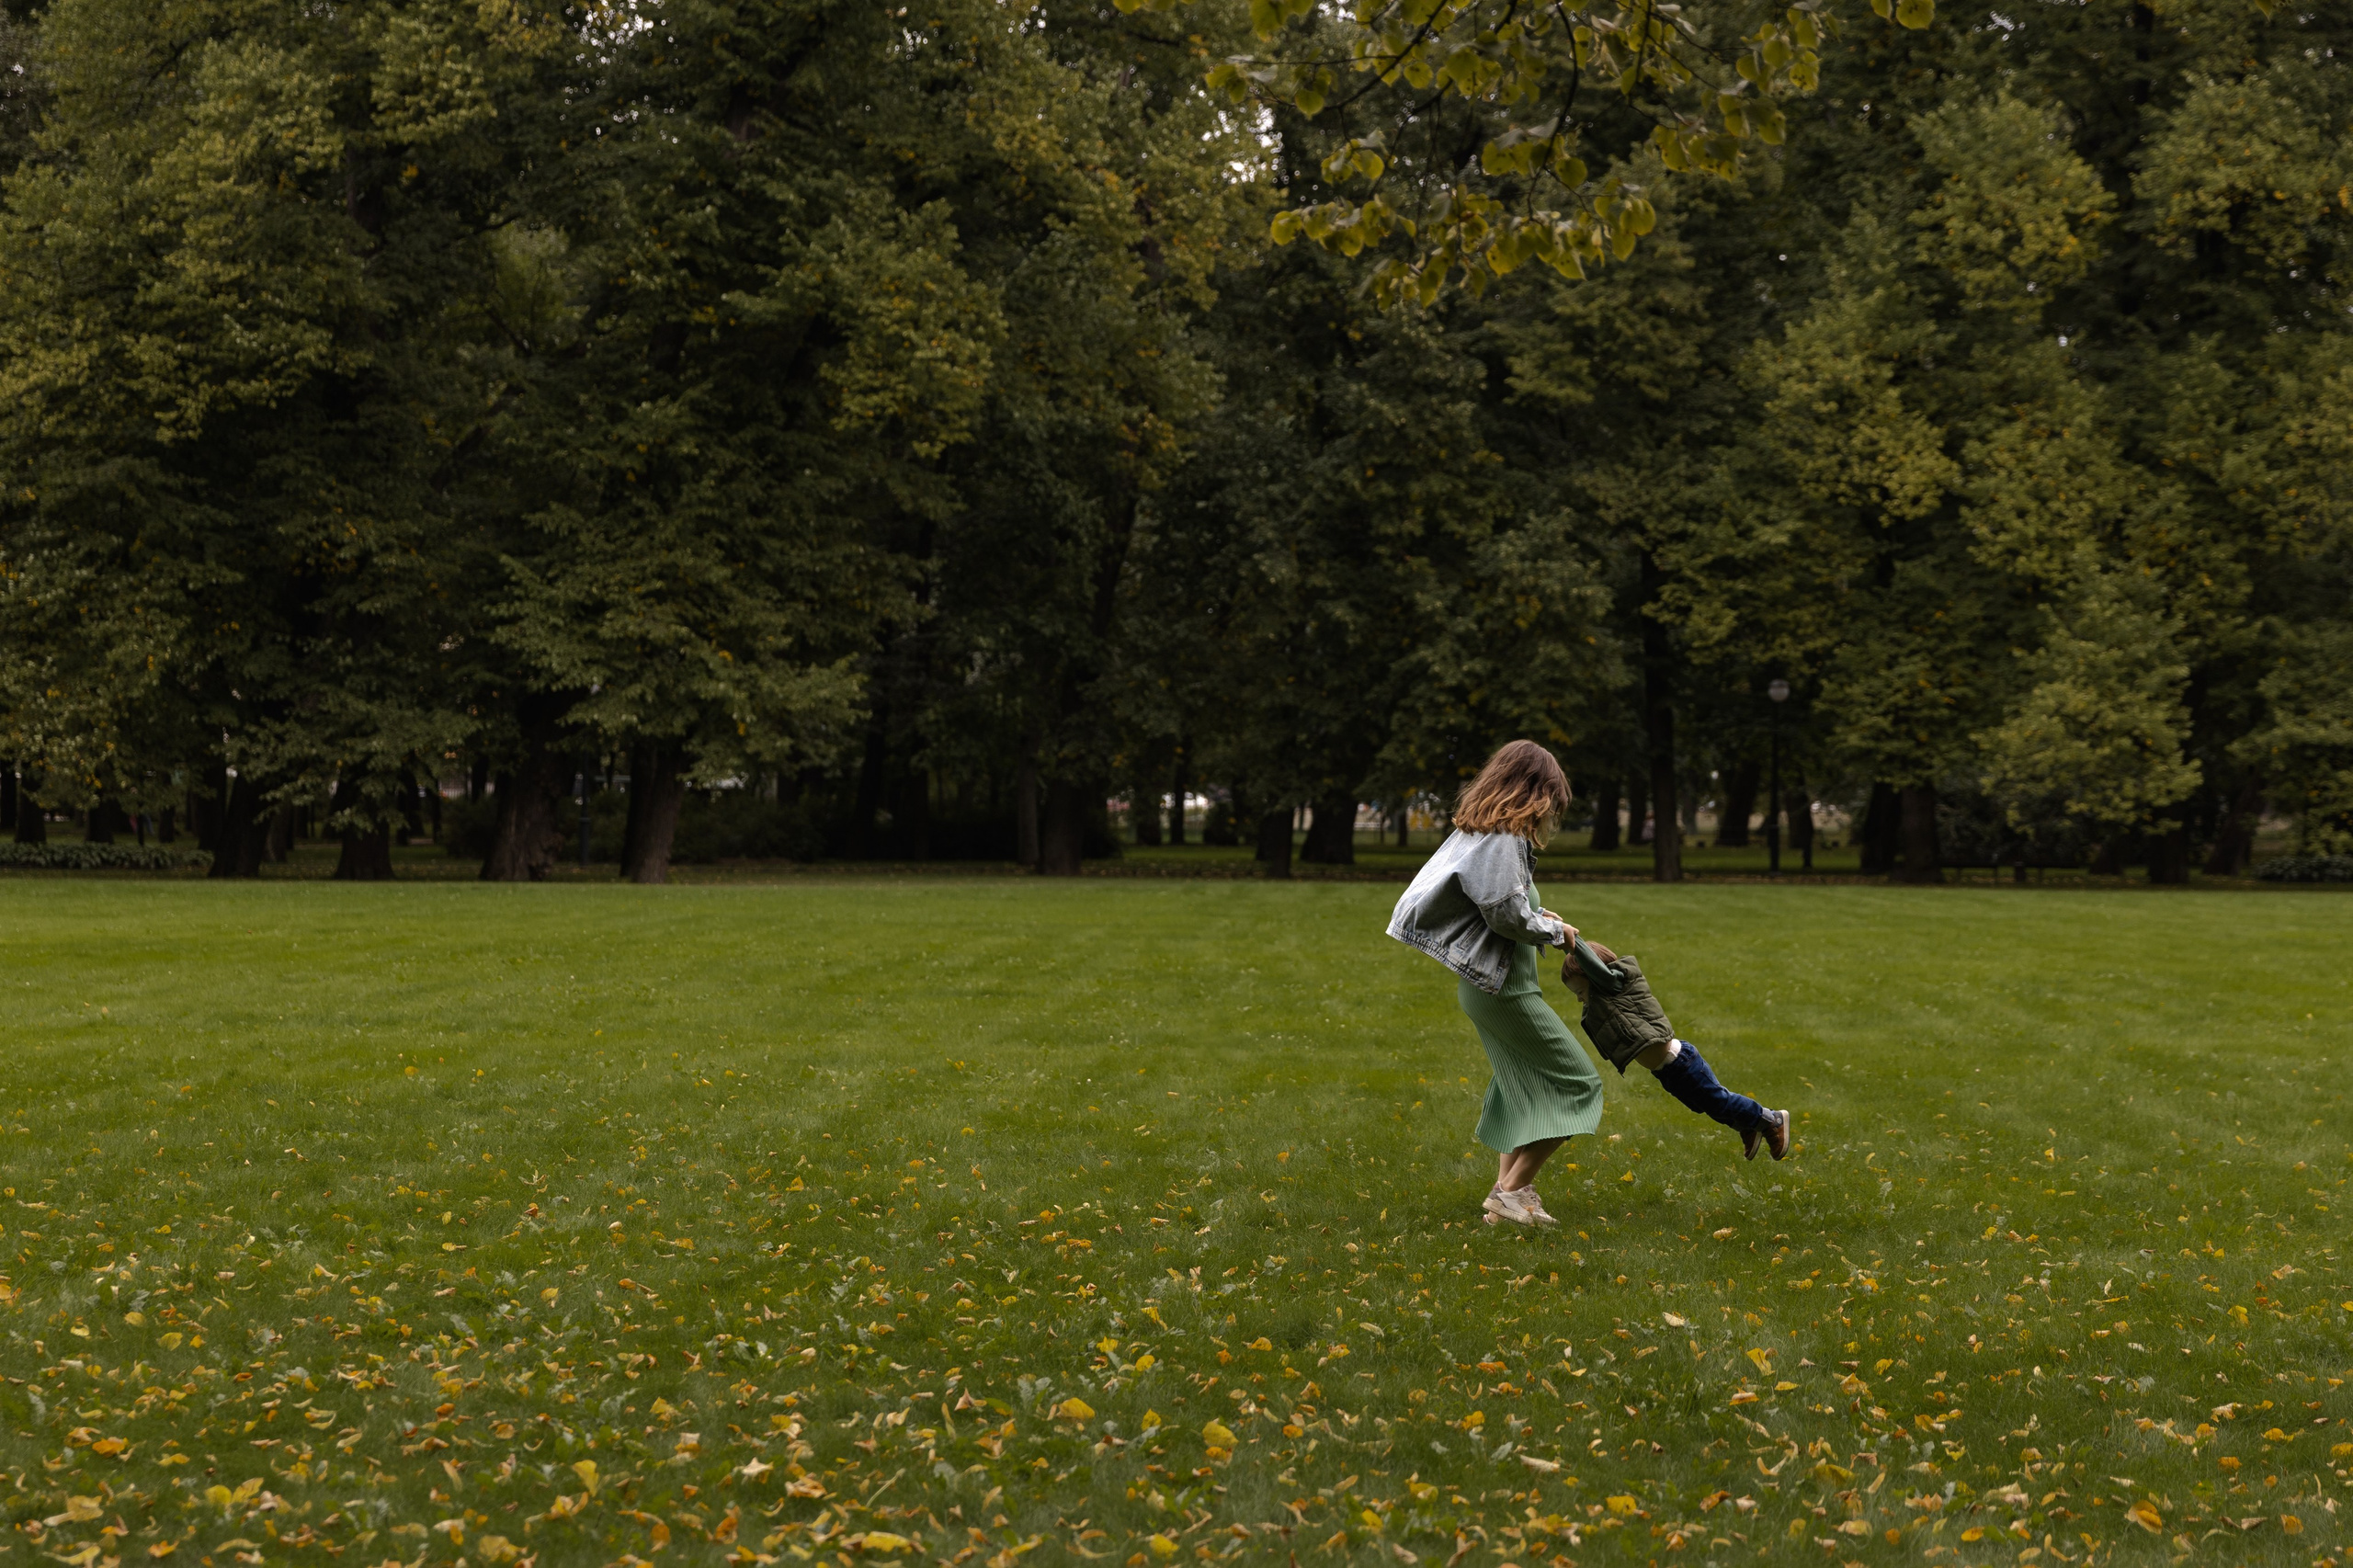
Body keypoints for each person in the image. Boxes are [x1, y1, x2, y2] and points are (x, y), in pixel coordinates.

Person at [1386, 740, 1599, 1227]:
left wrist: (1540, 915)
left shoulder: (1482, 835)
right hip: (1505, 992)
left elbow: (1502, 906)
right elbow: (1504, 915)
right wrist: (1553, 932)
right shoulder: (1503, 840)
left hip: (1496, 987)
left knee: (1517, 1088)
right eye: (1551, 799)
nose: (1551, 812)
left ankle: (1508, 1208)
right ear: (1533, 791)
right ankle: (1511, 1191)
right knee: (1578, 1085)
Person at [1562, 937, 1790, 1158]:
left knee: (1717, 1099)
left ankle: (1771, 1120)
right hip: (1666, 1071)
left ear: (1595, 976)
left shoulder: (1614, 984)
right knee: (1706, 1106)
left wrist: (1570, 943)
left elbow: (1592, 968)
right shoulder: (1602, 1001)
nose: (1579, 999)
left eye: (1580, 992)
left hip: (1680, 1061)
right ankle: (1747, 1126)